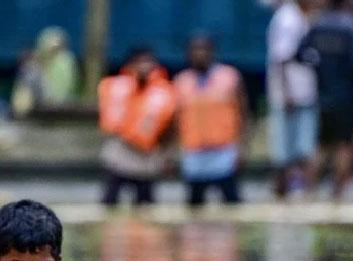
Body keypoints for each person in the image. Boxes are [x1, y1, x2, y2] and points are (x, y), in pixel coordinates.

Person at [174, 35, 251, 206]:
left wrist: (243, 146)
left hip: (223, 151)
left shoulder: (229, 77)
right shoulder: (182, 81)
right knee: (195, 203)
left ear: (212, 52)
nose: (200, 54)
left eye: (204, 49)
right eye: (195, 50)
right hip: (194, 152)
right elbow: (176, 119)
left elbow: (243, 113)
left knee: (232, 201)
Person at [299, 0, 353, 197]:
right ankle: (338, 192)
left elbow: (300, 53)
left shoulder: (318, 25)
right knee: (344, 144)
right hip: (346, 97)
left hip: (323, 96)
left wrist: (319, 65)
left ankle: (308, 189)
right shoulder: (351, 26)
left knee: (321, 144)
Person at [98, 47, 178, 205]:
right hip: (121, 149)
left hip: (147, 154)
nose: (144, 67)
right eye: (139, 62)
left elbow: (170, 127)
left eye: (148, 62)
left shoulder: (164, 92)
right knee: (110, 199)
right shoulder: (117, 86)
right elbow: (108, 116)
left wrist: (167, 155)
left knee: (145, 202)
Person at [267, 0, 320, 197]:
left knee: (303, 150)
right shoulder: (287, 19)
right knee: (283, 154)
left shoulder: (303, 17)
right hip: (290, 96)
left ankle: (302, 194)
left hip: (304, 94)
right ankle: (282, 194)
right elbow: (281, 59)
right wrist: (287, 93)